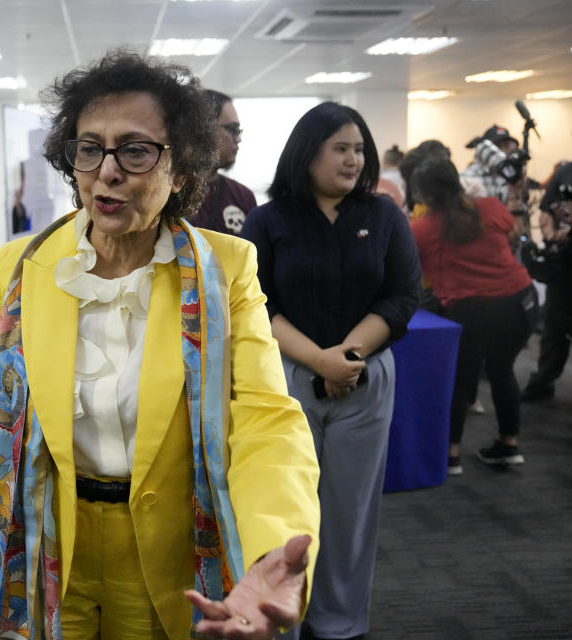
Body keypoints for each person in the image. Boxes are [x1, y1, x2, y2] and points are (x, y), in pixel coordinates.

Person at [0, 51, 320, 640]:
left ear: (180, 171)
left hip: (169, 549)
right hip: (50, 540)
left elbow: (265, 420)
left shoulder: (225, 269)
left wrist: (269, 550)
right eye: (89, 148)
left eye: (135, 150)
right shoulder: (20, 268)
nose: (107, 171)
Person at [241, 101, 421, 640]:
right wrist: (319, 360)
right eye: (340, 148)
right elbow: (253, 304)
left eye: (359, 149)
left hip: (364, 380)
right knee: (285, 513)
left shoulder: (384, 215)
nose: (353, 159)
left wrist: (346, 356)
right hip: (287, 381)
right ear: (308, 152)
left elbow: (404, 295)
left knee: (350, 511)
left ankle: (340, 624)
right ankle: (283, 621)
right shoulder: (268, 219)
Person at [409, 158, 536, 474]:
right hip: (520, 301)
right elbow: (514, 232)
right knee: (502, 370)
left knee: (461, 380)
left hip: (471, 310)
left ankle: (451, 455)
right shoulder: (491, 207)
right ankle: (508, 445)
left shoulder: (421, 230)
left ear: (423, 195)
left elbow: (406, 270)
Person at [522, 163, 572, 401]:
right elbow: (544, 212)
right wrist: (552, 237)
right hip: (562, 265)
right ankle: (543, 380)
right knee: (554, 325)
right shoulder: (564, 172)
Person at [189, 89, 258, 235]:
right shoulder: (168, 192)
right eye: (233, 129)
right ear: (203, 128)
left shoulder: (243, 196)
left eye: (239, 130)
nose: (238, 139)